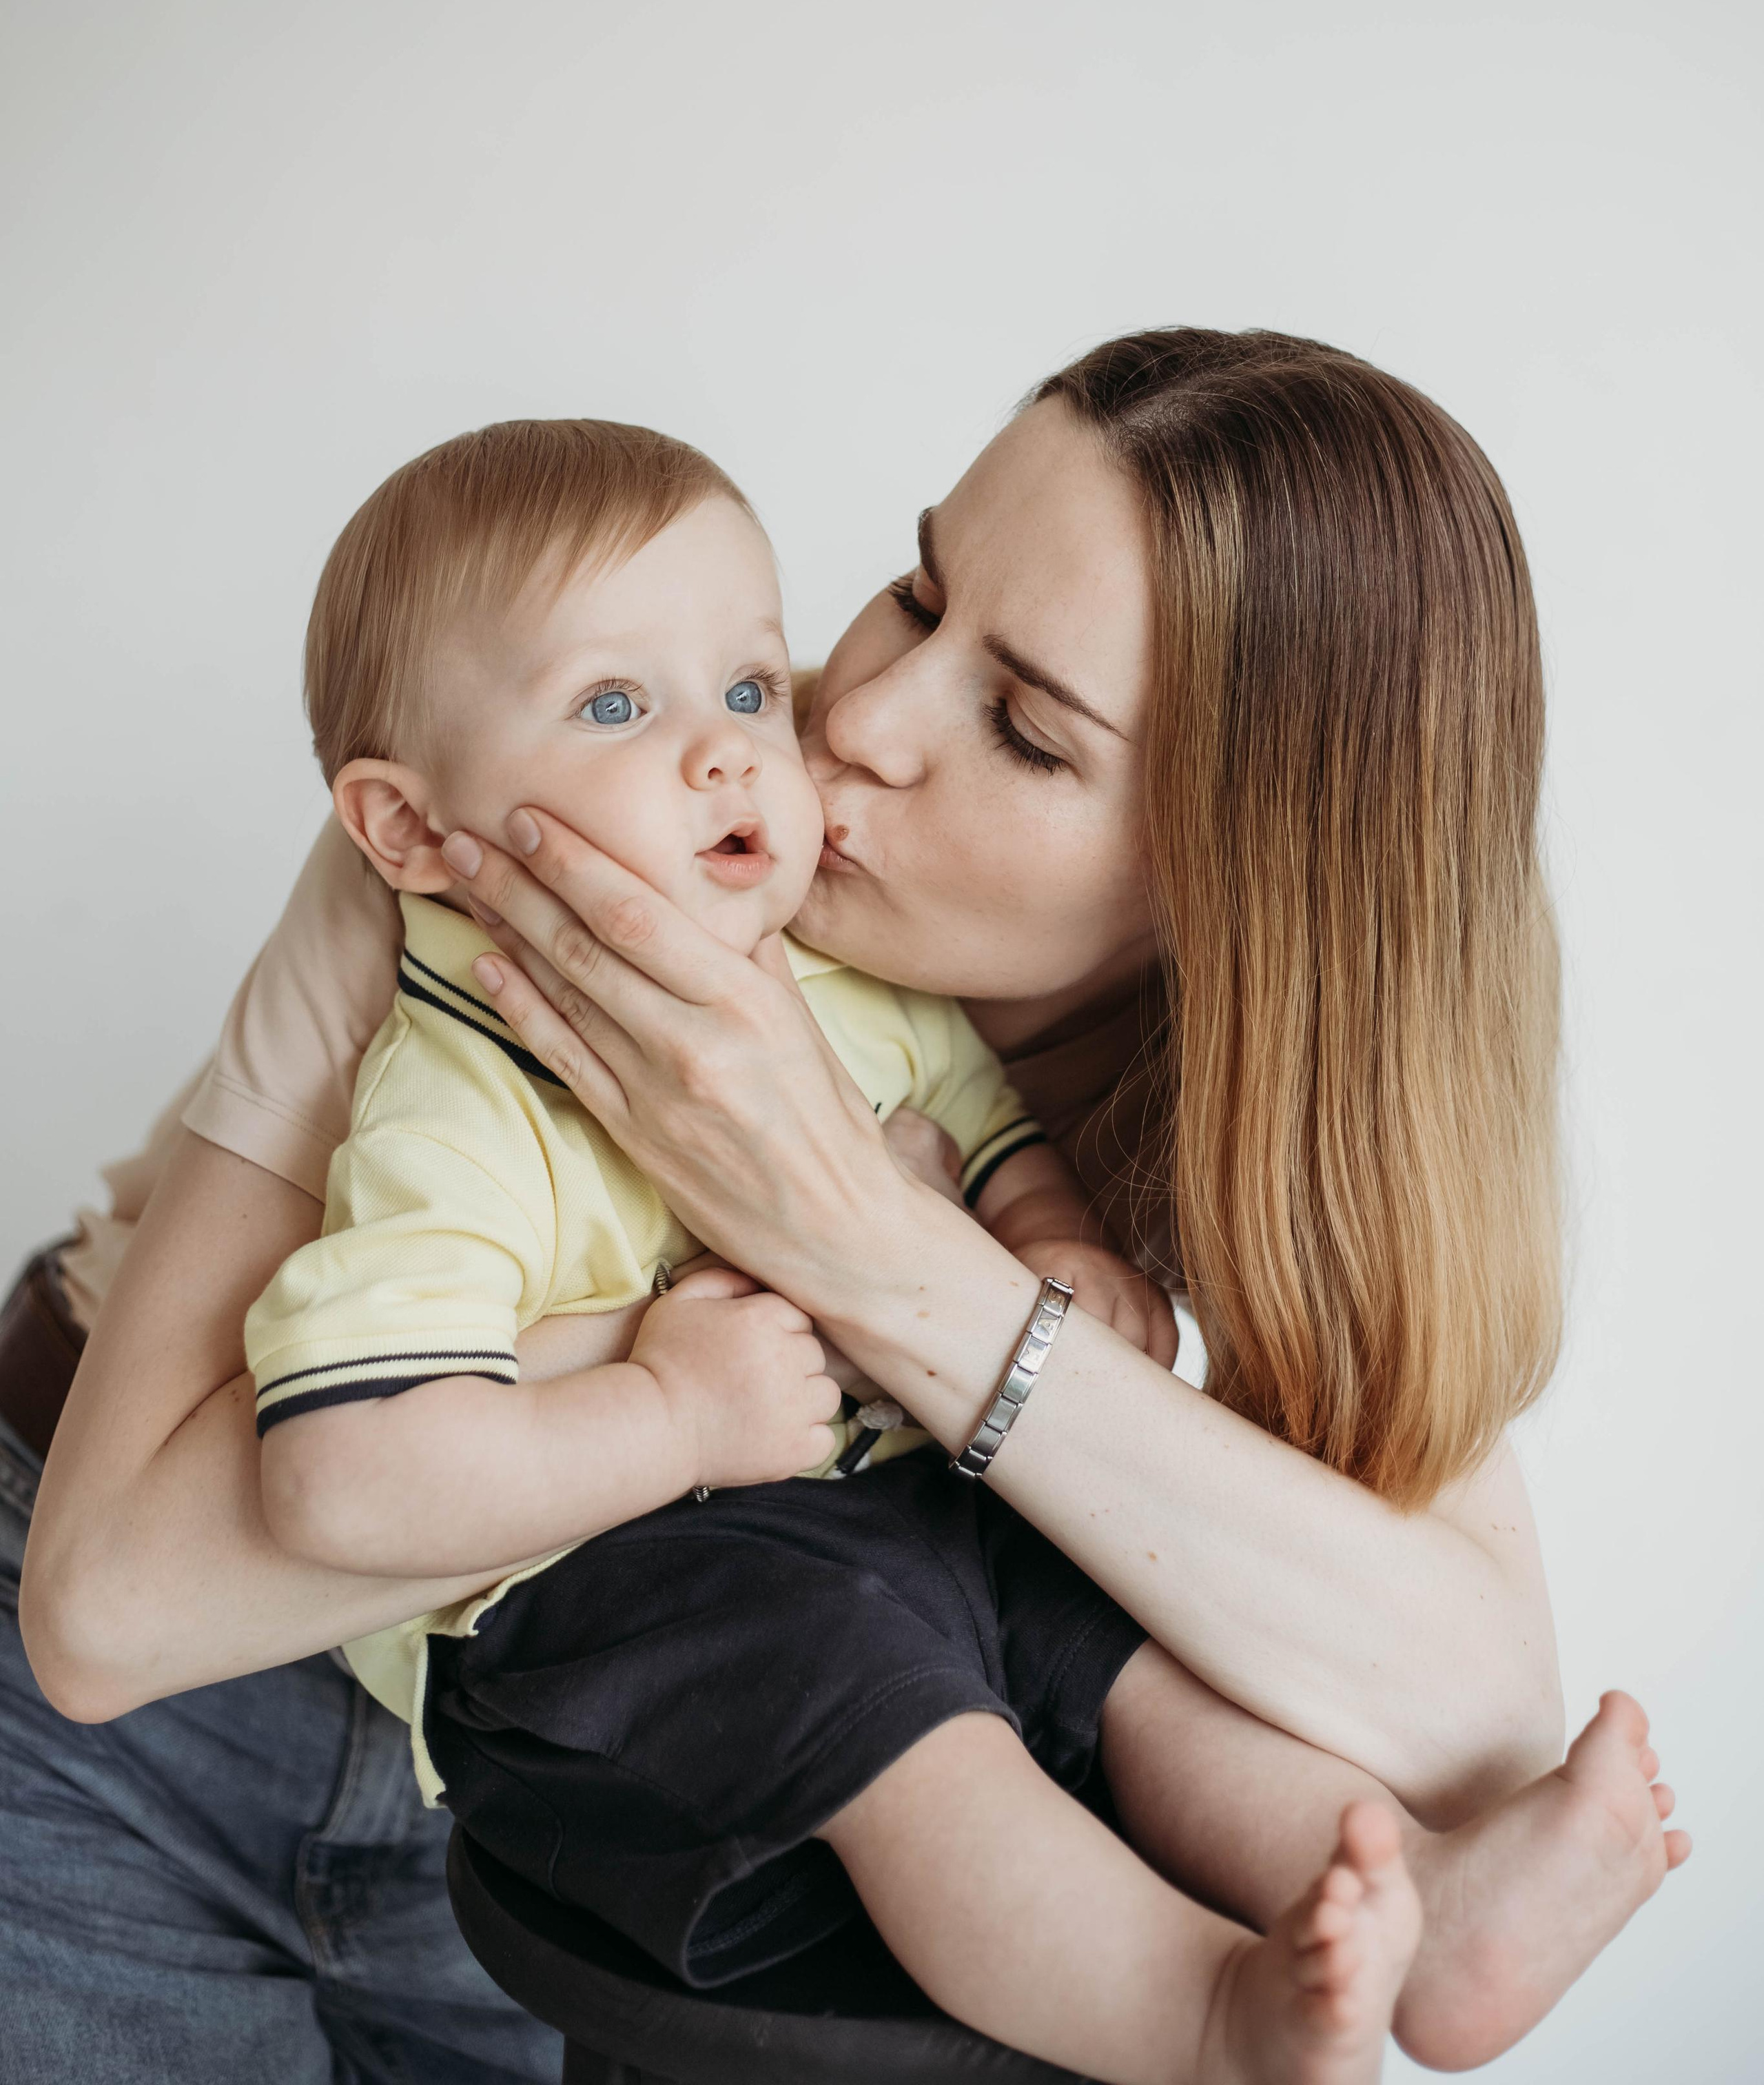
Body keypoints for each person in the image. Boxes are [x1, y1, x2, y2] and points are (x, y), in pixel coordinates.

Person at [10, 331, 1684, 2081]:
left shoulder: (1257, 1099)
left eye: (1023, 728)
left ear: (1226, 882)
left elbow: (1469, 1717)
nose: (849, 720)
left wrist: (897, 1267)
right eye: (913, 591)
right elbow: (115, 1615)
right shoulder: (553, 824)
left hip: (585, 1787)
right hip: (144, 1730)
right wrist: (732, 1350)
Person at [246, 412, 1425, 2085]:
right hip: (617, 1592)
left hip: (862, 1518)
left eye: (740, 688)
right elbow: (336, 1488)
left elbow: (986, 1135)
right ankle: (1198, 2012)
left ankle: (1419, 1901)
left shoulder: (847, 974)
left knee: (1119, 1639)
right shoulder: (461, 1078)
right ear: (410, 830)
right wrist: (666, 1410)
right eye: (611, 707)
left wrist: (1051, 1252)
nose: (796, 735)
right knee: (898, 1726)